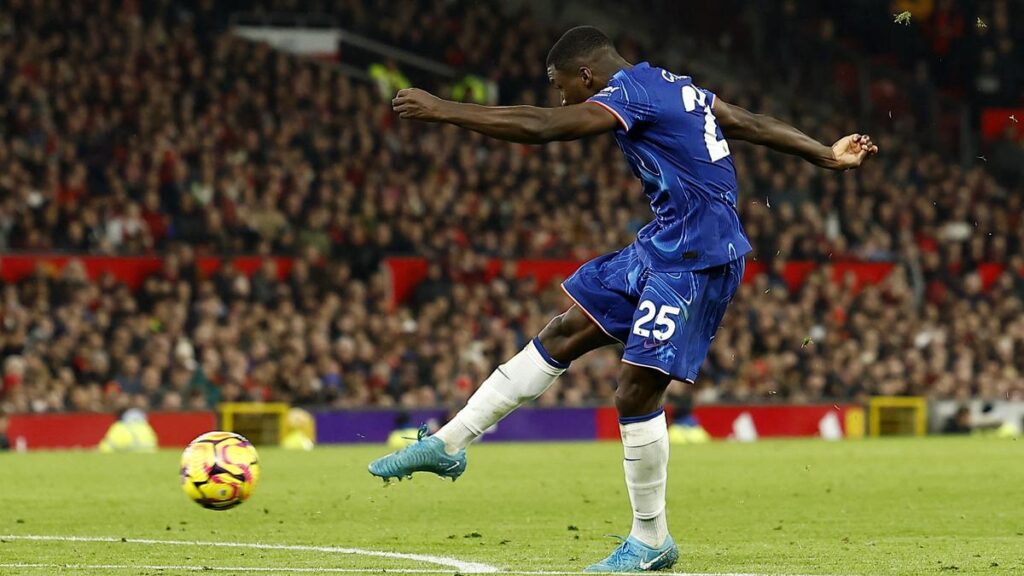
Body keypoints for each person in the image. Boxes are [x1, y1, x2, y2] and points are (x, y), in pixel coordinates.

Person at [369, 26, 878, 572]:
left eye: (559, 83)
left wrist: (445, 109)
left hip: (697, 257)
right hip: (662, 244)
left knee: (635, 391)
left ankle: (651, 540)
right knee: (562, 332)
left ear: (585, 74)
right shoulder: (673, 86)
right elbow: (749, 123)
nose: (559, 95)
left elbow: (543, 126)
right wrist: (824, 154)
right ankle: (448, 445)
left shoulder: (631, 94)